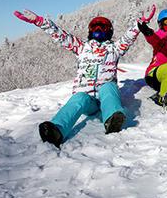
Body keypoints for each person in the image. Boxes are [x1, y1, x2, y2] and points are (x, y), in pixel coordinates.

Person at [14, 8, 146, 148]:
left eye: (103, 27)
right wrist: (40, 21)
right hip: (88, 101)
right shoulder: (81, 47)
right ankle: (57, 130)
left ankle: (113, 119)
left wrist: (139, 23)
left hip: (105, 98)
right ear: (90, 31)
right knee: (79, 97)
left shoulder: (115, 49)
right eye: (95, 27)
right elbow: (61, 35)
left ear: (109, 31)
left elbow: (128, 37)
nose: (99, 29)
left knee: (108, 87)